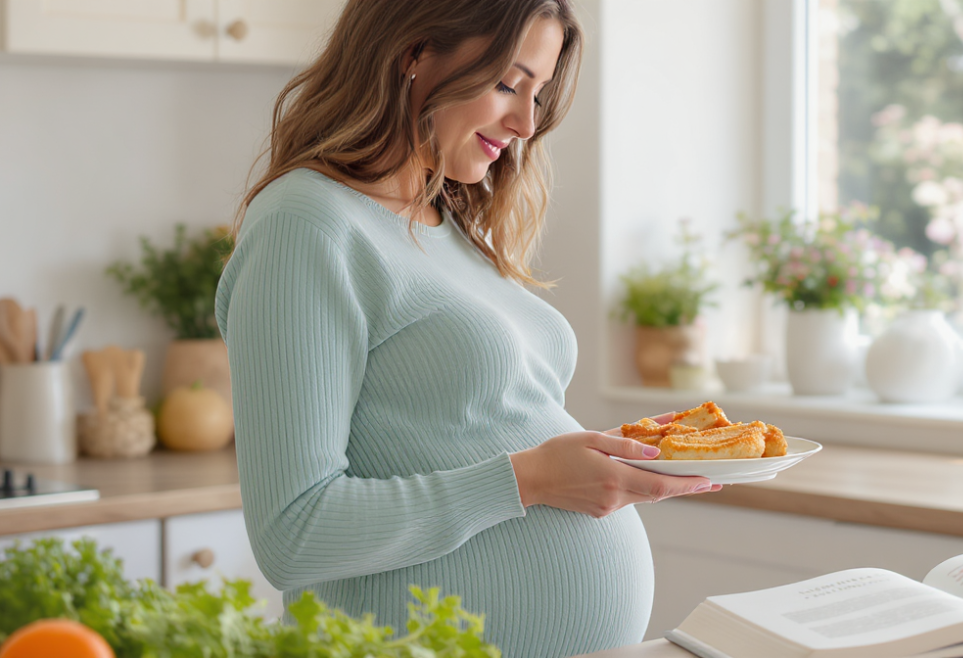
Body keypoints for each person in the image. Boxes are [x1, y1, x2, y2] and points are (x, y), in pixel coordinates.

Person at [214, 1, 720, 656]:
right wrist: (529, 478)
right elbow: (294, 534)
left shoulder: (449, 224)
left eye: (537, 93)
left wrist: (585, 461)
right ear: (415, 53)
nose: (527, 122)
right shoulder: (305, 224)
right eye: (509, 84)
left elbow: (474, 432)